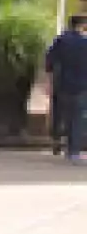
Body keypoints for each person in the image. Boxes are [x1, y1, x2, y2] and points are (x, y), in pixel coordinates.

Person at [45, 14, 87, 164]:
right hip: (81, 84)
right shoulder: (84, 42)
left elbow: (49, 60)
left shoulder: (61, 40)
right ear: (81, 25)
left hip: (62, 83)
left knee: (62, 114)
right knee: (77, 118)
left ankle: (57, 139)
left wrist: (49, 81)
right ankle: (73, 151)